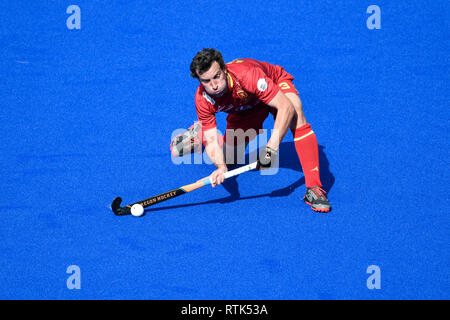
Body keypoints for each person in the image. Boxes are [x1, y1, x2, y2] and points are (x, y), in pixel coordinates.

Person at [170, 48, 331, 212]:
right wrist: (221, 168)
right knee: (229, 160)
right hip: (245, 109)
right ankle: (199, 133)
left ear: (224, 70)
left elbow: (286, 107)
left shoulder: (246, 75)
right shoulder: (202, 99)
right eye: (206, 81)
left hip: (274, 86)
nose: (214, 85)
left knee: (295, 113)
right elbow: (212, 141)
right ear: (199, 80)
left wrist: (270, 150)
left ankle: (314, 188)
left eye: (217, 76)